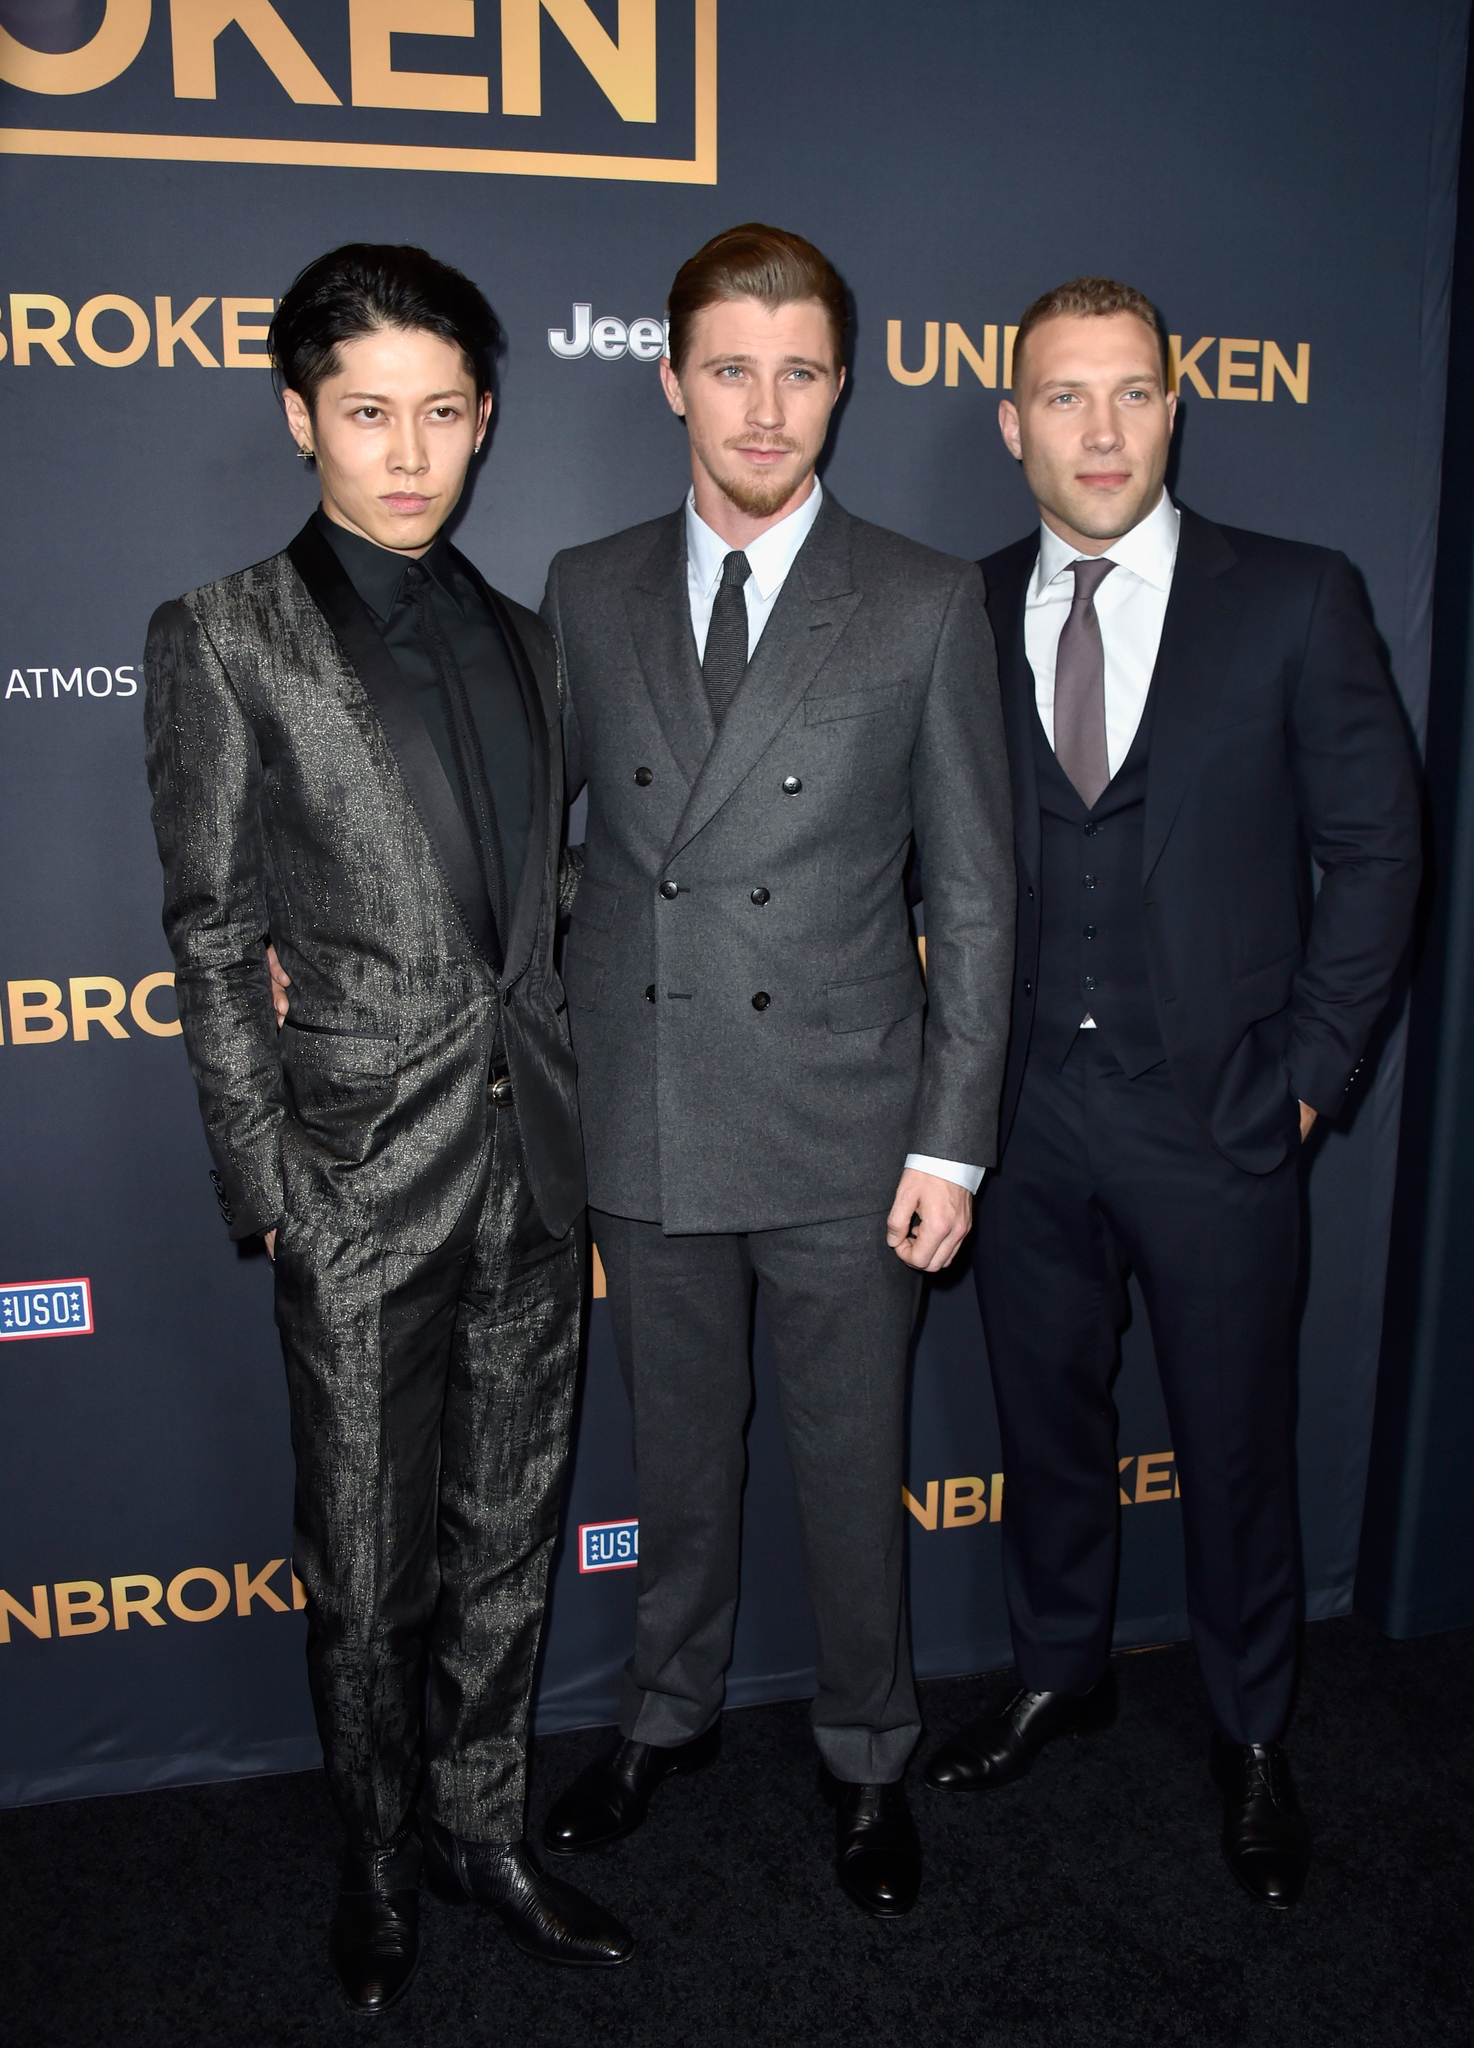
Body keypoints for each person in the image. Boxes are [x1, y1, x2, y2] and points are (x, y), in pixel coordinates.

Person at [144, 243, 633, 2015]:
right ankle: (370, 1858)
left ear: (485, 419)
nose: (406, 452)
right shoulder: (220, 638)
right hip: (355, 1180)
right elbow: (207, 933)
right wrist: (267, 1176)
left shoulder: (532, 639)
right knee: (364, 1570)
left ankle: (478, 1831)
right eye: (366, 416)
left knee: (509, 1532)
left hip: (534, 1170)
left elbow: (549, 900)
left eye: (439, 413)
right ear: (300, 421)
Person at [923, 277, 1421, 1908]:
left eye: (1130, 393)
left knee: (1234, 1444)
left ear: (1173, 405)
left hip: (1220, 1120)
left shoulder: (1291, 597)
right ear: (1010, 427)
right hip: (1016, 1124)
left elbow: (1376, 850)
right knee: (1045, 1427)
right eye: (1062, 398)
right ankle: (1060, 1671)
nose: (1099, 429)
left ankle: (1253, 1728)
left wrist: (1303, 1084)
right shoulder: (955, 607)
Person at [537, 223, 1015, 1918]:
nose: (761, 406)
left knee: (843, 1465)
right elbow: (542, 859)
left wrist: (950, 1148)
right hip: (652, 1112)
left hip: (843, 1128)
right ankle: (663, 1717)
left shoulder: (922, 596)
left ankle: (869, 1751)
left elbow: (969, 895)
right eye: (727, 367)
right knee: (678, 1460)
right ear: (669, 379)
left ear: (841, 388)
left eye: (797, 369)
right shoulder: (584, 587)